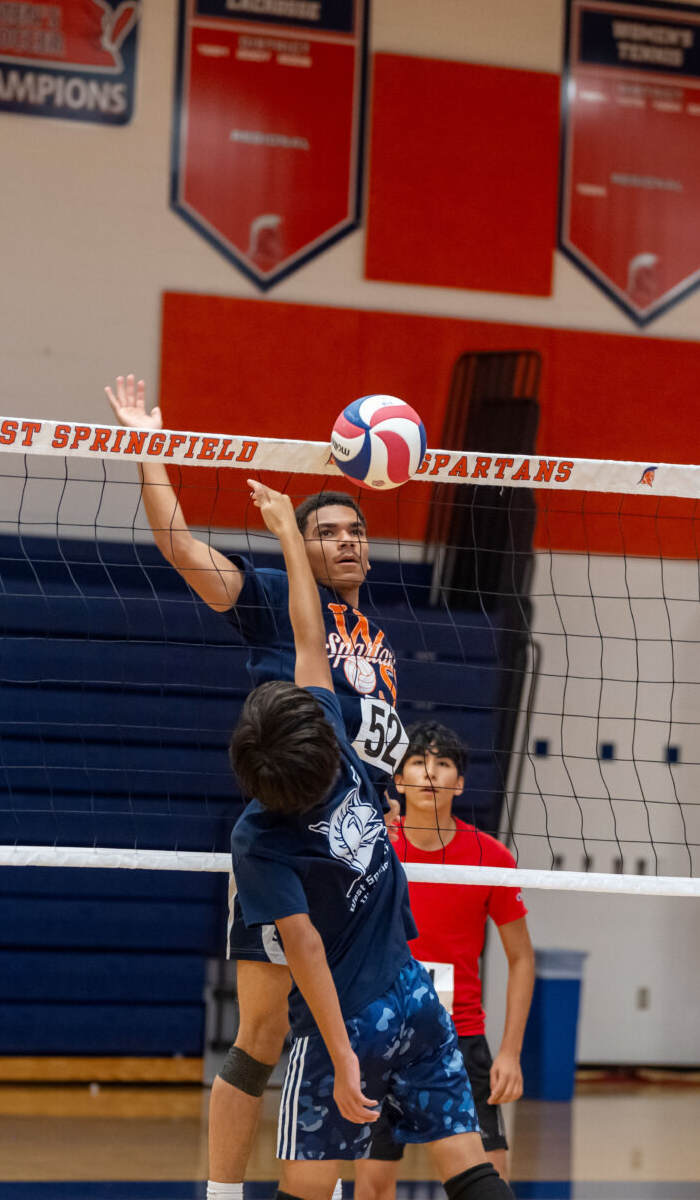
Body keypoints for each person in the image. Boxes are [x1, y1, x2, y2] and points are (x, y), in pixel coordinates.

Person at [105, 375, 405, 1200]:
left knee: (353, 1027)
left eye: (355, 531)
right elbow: (177, 545)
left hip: (357, 849)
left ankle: (321, 1180)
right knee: (266, 1031)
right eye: (327, 532)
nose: (346, 542)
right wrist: (147, 442)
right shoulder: (274, 599)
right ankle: (225, 1193)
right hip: (291, 843)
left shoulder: (375, 637)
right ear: (299, 546)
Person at [228, 477, 517, 1200]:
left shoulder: (261, 842)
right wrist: (291, 545)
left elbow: (307, 948)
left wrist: (337, 1049)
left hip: (347, 1020)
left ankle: (220, 1190)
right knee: (468, 1166)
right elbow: (305, 638)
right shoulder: (354, 772)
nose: (350, 540)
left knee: (309, 1178)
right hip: (415, 996)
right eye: (329, 532)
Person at [358, 722, 534, 1200]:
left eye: (443, 763)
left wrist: (510, 1052)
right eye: (418, 761)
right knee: (372, 1187)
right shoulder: (374, 852)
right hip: (383, 1037)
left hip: (460, 1037)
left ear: (459, 782)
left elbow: (521, 958)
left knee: (488, 1181)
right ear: (398, 779)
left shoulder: (490, 857)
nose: (430, 773)